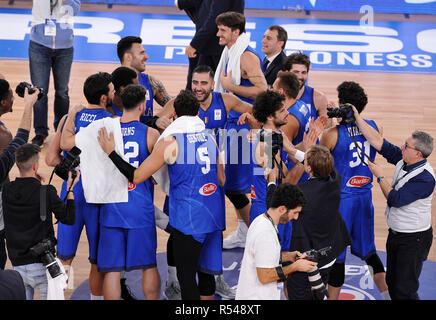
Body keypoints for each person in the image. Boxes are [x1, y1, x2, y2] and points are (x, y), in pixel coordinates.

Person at [97, 89, 226, 300]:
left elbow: (137, 176)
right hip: (214, 216)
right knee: (206, 274)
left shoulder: (170, 142)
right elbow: (221, 180)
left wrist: (111, 152)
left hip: (189, 218)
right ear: (197, 111)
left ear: (174, 112)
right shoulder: (210, 137)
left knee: (186, 278)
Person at [156, 64, 252, 300]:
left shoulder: (226, 101)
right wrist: (159, 123)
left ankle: (213, 279)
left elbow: (255, 111)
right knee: (176, 232)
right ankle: (172, 282)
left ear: (212, 84)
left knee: (212, 231)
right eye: (195, 83)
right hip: (184, 179)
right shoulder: (181, 102)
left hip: (212, 178)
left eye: (203, 83)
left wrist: (250, 116)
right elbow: (156, 121)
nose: (198, 88)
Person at [352, 108, 434, 300]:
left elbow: (396, 199)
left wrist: (380, 176)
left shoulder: (425, 179)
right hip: (397, 234)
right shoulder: (404, 160)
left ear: (419, 154)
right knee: (394, 285)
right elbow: (379, 143)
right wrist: (357, 118)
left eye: (407, 146)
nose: (402, 147)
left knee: (405, 290)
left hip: (413, 240)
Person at [320, 81, 390, 300]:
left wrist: (330, 124)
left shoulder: (332, 134)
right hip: (364, 199)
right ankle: (388, 296)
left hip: (341, 202)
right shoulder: (374, 127)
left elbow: (319, 168)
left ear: (344, 105)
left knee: (337, 258)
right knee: (370, 252)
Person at [97, 84, 161, 300]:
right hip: (139, 209)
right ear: (142, 106)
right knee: (148, 266)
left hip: (111, 208)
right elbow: (159, 173)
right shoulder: (151, 134)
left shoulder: (105, 131)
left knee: (113, 271)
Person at [57, 72, 114, 300]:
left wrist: (72, 114)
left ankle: (56, 296)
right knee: (96, 259)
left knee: (63, 258)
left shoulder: (68, 119)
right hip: (96, 195)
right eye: (111, 90)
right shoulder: (112, 123)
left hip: (70, 191)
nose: (114, 93)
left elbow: (53, 157)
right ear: (103, 98)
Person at [214, 11, 268, 250]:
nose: (218, 33)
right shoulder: (230, 52)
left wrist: (230, 87)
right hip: (231, 123)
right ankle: (245, 231)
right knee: (233, 184)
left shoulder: (246, 57)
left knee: (233, 186)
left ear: (236, 32)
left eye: (222, 30)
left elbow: (263, 90)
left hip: (243, 125)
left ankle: (256, 234)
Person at [2, 143, 79, 300]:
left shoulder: (7, 191)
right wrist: (70, 190)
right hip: (43, 265)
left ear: (17, 165)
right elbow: (69, 218)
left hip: (17, 265)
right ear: (35, 166)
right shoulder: (46, 192)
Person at [285, 145, 351, 300]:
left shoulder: (300, 193)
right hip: (329, 255)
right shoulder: (335, 178)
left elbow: (276, 199)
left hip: (307, 260)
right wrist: (292, 149)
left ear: (308, 168)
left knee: (295, 292)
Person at [235, 183, 316, 300]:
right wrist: (295, 267)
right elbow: (264, 276)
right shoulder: (265, 234)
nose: (296, 217)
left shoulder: (262, 220)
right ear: (282, 209)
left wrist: (289, 257)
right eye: (295, 212)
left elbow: (263, 256)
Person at [29, 0, 81, 146]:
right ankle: (40, 132)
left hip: (65, 48)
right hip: (39, 45)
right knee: (39, 91)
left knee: (62, 91)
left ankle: (61, 130)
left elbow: (74, 10)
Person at [0, 79, 39, 270]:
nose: (13, 97)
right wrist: (29, 105)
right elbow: (21, 139)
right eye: (10, 95)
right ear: (3, 103)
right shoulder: (3, 137)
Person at [175, 0, 244, 91]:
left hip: (219, 46)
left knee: (206, 86)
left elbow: (214, 20)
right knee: (197, 84)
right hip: (208, 43)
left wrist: (195, 44)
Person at [116, 36, 172, 129]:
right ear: (128, 57)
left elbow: (173, 104)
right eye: (142, 53)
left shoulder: (151, 82)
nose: (146, 57)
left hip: (147, 139)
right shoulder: (111, 85)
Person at [283, 52, 328, 121]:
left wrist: (331, 118)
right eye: (296, 72)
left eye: (303, 72)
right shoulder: (276, 95)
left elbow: (327, 128)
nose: (300, 77)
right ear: (286, 73)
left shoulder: (319, 98)